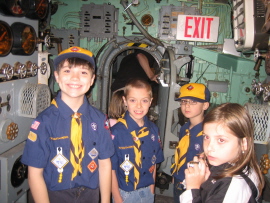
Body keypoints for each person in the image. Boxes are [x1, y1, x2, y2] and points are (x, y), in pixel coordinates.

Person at [21, 46, 114, 203]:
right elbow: (35, 173)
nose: (75, 78)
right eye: (67, 71)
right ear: (56, 76)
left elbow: (104, 164)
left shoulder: (99, 120)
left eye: (83, 72)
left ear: (92, 80)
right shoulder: (44, 122)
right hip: (54, 195)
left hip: (90, 194)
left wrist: (105, 201)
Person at [180, 103, 265, 202]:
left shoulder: (234, 187)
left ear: (243, 143)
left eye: (221, 140)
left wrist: (192, 188)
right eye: (206, 137)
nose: (209, 148)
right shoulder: (226, 163)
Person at [111, 78, 164, 203]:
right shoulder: (116, 132)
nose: (139, 106)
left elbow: (154, 162)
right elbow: (111, 169)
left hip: (147, 192)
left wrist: (152, 189)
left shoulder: (153, 130)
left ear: (150, 102)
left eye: (144, 100)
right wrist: (117, 197)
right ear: (125, 101)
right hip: (124, 193)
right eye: (133, 100)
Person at [171, 83, 210, 203]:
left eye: (193, 102)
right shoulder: (185, 128)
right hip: (179, 180)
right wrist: (176, 175)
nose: (187, 106)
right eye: (184, 101)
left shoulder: (207, 132)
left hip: (196, 185)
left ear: (205, 105)